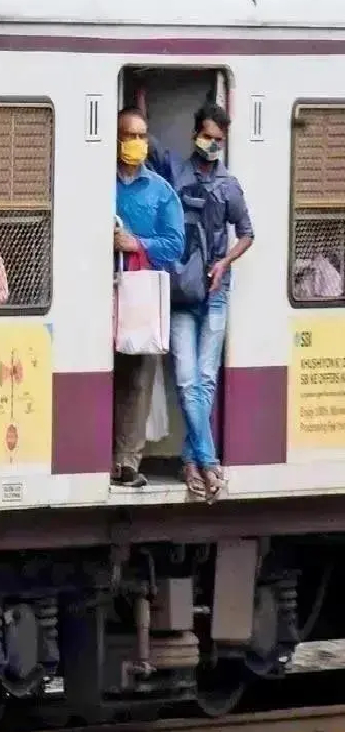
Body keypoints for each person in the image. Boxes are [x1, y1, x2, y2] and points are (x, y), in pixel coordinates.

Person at [170, 103, 253, 499]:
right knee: (187, 380)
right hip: (183, 291)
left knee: (204, 379)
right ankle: (207, 460)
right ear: (194, 135)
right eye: (207, 137)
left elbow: (248, 234)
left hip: (217, 293)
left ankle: (191, 461)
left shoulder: (230, 185)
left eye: (219, 140)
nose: (212, 145)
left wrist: (224, 262)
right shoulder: (175, 173)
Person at [112, 106, 184, 488]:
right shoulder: (98, 184)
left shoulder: (161, 190)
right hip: (101, 290)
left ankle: (127, 462)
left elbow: (175, 245)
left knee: (138, 378)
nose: (136, 143)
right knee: (103, 373)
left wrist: (135, 242)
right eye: (129, 135)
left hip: (141, 292)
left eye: (142, 136)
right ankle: (97, 456)